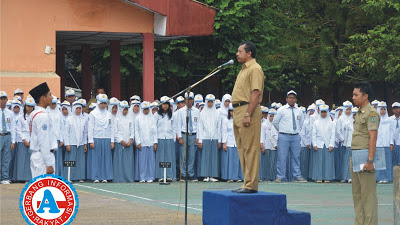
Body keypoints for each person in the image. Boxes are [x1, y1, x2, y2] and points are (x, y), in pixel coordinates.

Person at [231, 41, 264, 193]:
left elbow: (256, 93)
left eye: (240, 51)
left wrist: (247, 114)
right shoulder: (243, 69)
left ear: (249, 53)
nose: (237, 54)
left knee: (250, 148)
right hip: (238, 109)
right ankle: (246, 182)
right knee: (242, 148)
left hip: (247, 109)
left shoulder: (255, 69)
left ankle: (251, 185)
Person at [351, 81, 379, 225]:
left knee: (368, 195)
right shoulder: (359, 113)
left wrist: (370, 160)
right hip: (355, 156)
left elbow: (373, 137)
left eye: (356, 95)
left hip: (365, 157)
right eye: (353, 94)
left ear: (365, 96)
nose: (353, 97)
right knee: (357, 194)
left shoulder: (371, 113)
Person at [272, 90, 306, 183]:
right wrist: (283, 130)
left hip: (295, 136)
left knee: (296, 156)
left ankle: (297, 176)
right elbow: (275, 122)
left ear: (296, 99)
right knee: (282, 157)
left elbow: (301, 123)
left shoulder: (299, 111)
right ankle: (280, 176)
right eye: (290, 97)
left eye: (293, 98)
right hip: (284, 136)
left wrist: (295, 130)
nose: (292, 99)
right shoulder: (281, 110)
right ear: (286, 99)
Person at [28, 83, 55, 178]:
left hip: (39, 155)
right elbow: (44, 140)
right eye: (50, 95)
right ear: (43, 98)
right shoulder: (42, 116)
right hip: (43, 158)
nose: (52, 98)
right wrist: (48, 163)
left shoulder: (35, 113)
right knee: (44, 189)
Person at [87, 94, 114, 183]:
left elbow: (112, 128)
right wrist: (91, 140)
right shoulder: (93, 114)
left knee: (106, 158)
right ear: (98, 103)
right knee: (96, 158)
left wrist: (112, 141)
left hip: (106, 138)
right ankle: (96, 176)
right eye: (101, 103)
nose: (103, 105)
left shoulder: (109, 114)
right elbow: (90, 128)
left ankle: (105, 176)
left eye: (104, 103)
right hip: (96, 138)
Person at [176, 92, 199, 182]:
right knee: (183, 155)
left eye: (191, 99)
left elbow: (199, 125)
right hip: (184, 134)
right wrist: (179, 137)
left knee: (191, 156)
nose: (189, 101)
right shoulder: (181, 111)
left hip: (193, 134)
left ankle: (190, 174)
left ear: (193, 100)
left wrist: (198, 137)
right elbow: (178, 124)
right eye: (187, 99)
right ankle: (183, 174)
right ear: (185, 100)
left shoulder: (196, 111)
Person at [198, 94, 221, 182]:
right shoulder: (202, 113)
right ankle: (205, 175)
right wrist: (200, 140)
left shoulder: (217, 113)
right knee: (205, 157)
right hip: (205, 137)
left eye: (212, 102)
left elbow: (219, 127)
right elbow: (200, 127)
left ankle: (212, 175)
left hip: (214, 138)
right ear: (206, 102)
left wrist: (219, 140)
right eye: (209, 102)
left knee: (214, 157)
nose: (210, 104)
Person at [64, 101, 88, 182]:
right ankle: (69, 177)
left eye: (79, 109)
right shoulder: (69, 119)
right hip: (72, 143)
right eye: (77, 108)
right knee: (71, 160)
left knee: (80, 160)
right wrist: (67, 144)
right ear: (74, 109)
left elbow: (85, 133)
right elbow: (66, 133)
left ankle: (80, 177)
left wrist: (85, 143)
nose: (78, 110)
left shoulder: (84, 119)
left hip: (81, 143)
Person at [312, 104, 336, 183]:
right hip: (319, 144)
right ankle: (318, 177)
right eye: (322, 112)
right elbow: (313, 134)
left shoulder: (331, 122)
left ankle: (327, 177)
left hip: (328, 144)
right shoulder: (316, 122)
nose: (323, 114)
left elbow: (333, 134)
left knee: (328, 162)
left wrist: (332, 144)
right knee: (318, 162)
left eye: (325, 112)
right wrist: (314, 144)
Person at [13, 97, 35, 182]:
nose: (30, 108)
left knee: (31, 160)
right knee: (22, 159)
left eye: (32, 106)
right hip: (23, 140)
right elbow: (18, 129)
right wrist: (24, 140)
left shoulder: (35, 116)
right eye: (28, 106)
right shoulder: (20, 117)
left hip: (32, 140)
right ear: (25, 106)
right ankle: (21, 178)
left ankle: (30, 177)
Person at [135, 101, 157, 183]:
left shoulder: (152, 118)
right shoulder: (138, 118)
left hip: (150, 143)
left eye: (147, 109)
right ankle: (142, 177)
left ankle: (150, 177)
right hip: (142, 143)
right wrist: (138, 142)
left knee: (150, 162)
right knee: (142, 162)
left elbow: (155, 131)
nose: (146, 111)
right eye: (144, 109)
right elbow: (136, 131)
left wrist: (155, 142)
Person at [154, 97, 176, 182]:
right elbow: (154, 128)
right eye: (164, 104)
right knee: (161, 157)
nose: (165, 106)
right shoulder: (157, 115)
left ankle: (169, 175)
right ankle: (160, 175)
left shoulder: (172, 114)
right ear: (161, 105)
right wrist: (155, 141)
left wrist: (173, 138)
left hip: (169, 138)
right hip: (160, 137)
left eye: (167, 104)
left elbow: (174, 127)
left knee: (169, 157)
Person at [113, 100, 134, 183]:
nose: (125, 111)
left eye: (126, 109)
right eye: (123, 109)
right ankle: (119, 178)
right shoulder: (116, 119)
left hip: (128, 144)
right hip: (120, 143)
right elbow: (115, 132)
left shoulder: (130, 119)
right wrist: (121, 140)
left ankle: (128, 178)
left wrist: (130, 140)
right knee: (119, 162)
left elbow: (132, 131)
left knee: (128, 162)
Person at [221, 103, 243, 182]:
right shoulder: (226, 120)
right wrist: (224, 142)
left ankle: (237, 177)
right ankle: (229, 177)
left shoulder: (240, 120)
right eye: (231, 111)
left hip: (238, 142)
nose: (233, 113)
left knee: (237, 160)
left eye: (234, 111)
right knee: (229, 161)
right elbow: (224, 131)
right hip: (229, 142)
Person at [0, 91, 16, 184]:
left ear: (7, 100)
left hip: (7, 136)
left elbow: (13, 127)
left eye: (4, 98)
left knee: (6, 158)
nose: (2, 100)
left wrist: (13, 141)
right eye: (1, 99)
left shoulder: (10, 113)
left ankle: (4, 177)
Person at [337, 100, 354, 183]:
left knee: (352, 160)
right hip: (344, 143)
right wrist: (342, 139)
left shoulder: (353, 118)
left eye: (349, 109)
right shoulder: (341, 119)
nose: (348, 111)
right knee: (345, 160)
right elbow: (338, 130)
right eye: (346, 109)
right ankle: (344, 176)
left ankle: (351, 177)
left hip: (352, 142)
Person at [375, 101, 392, 183]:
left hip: (387, 143)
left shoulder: (389, 120)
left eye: (384, 109)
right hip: (378, 144)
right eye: (381, 109)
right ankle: (378, 178)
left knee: (387, 161)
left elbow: (391, 132)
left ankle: (386, 178)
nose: (382, 111)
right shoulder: (375, 120)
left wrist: (391, 142)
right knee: (379, 161)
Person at [299, 104, 314, 180]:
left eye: (313, 112)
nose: (312, 113)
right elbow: (303, 135)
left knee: (310, 163)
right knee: (304, 162)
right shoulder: (305, 122)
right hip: (305, 145)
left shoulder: (315, 121)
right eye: (310, 112)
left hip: (313, 145)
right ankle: (303, 177)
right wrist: (308, 144)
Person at [264, 108, 279, 181]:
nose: (272, 118)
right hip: (267, 146)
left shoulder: (277, 125)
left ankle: (274, 177)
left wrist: (276, 145)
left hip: (274, 147)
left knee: (274, 163)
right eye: (271, 116)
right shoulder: (265, 124)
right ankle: (268, 177)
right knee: (268, 163)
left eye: (273, 116)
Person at [390, 102, 400, 166]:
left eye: (398, 108)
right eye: (394, 108)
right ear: (392, 110)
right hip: (392, 142)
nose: (396, 110)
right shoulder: (389, 119)